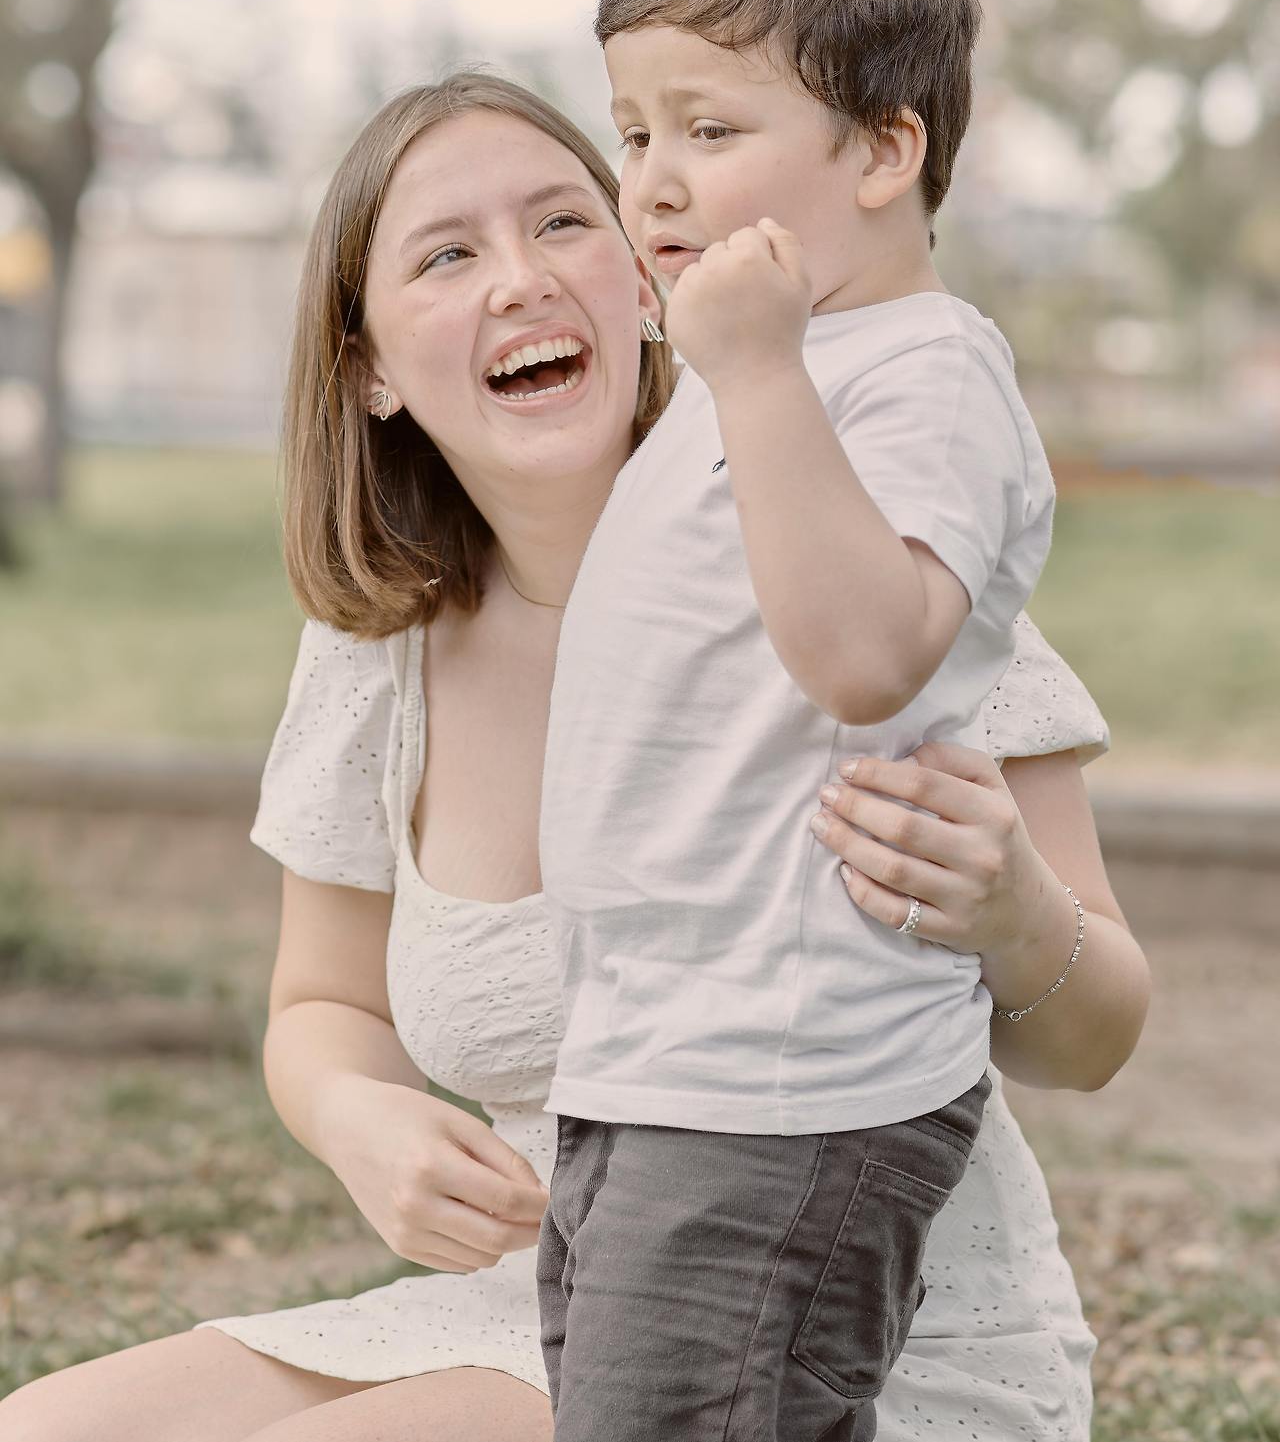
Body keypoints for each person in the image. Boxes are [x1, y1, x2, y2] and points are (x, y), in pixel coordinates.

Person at [0, 72, 1148, 1442]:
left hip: (831, 1347)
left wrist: (1016, 911)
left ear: (646, 278)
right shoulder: (386, 649)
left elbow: (1099, 1034)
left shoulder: (859, 564)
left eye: (562, 223)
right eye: (447, 254)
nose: (521, 281)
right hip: (524, 1304)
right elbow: (320, 1004)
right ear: (366, 364)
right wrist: (359, 1118)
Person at [534, 0, 1138, 1440]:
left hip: (784, 1078)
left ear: (885, 151)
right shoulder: (768, 374)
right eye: (634, 131)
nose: (653, 182)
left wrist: (753, 370)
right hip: (662, 1060)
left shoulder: (918, 371)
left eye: (711, 132)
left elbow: (868, 653)